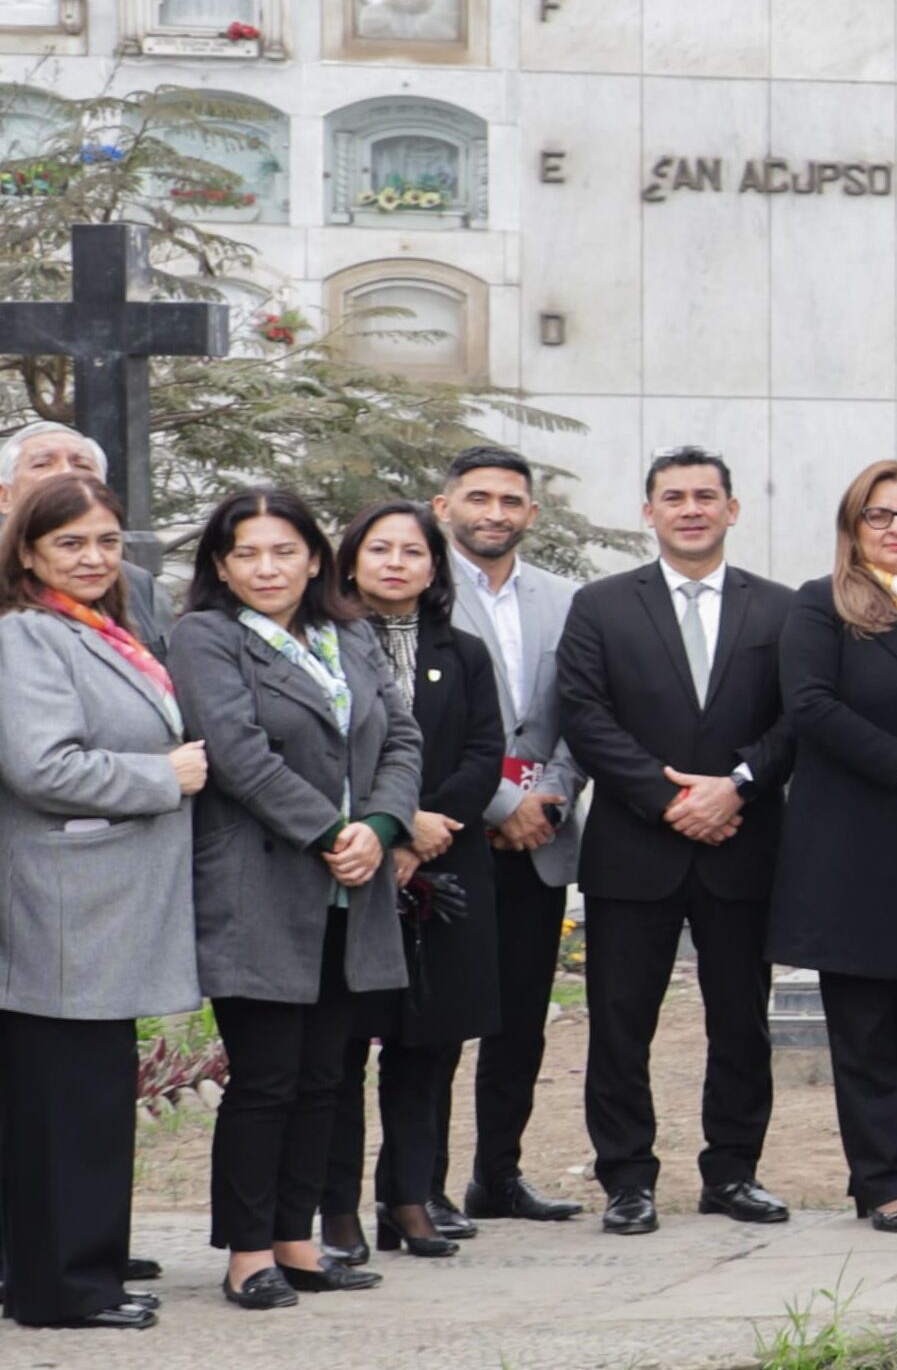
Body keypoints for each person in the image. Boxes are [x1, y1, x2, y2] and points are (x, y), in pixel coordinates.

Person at [0, 421, 162, 1309]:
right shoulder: (22, 635)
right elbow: (41, 766)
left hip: (99, 905)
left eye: (106, 539)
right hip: (56, 901)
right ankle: (63, 1285)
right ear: (21, 546)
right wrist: (162, 777)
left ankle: (78, 1270)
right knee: (61, 1106)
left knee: (86, 1103)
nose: (94, 556)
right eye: (71, 542)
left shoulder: (107, 621)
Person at [165, 485, 421, 1310]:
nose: (267, 567)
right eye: (247, 553)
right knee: (267, 1077)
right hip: (262, 885)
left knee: (324, 1077)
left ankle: (296, 1237)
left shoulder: (348, 633)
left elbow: (403, 734)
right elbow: (236, 753)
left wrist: (380, 825)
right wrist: (330, 833)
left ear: (316, 558)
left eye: (284, 550)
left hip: (355, 887)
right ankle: (246, 1251)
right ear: (221, 565)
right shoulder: (206, 636)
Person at [554, 447, 796, 1232]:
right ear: (648, 511)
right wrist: (669, 799)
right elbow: (585, 715)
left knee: (741, 1023)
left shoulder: (781, 608)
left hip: (744, 843)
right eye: (673, 496)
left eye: (705, 496)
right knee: (621, 1026)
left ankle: (733, 1171)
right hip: (635, 850)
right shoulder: (600, 605)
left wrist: (737, 786)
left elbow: (798, 716)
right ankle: (627, 1179)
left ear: (732, 509)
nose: (690, 508)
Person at [774, 460, 897, 1233]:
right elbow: (810, 706)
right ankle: (878, 1181)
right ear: (853, 528)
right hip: (858, 851)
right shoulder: (822, 605)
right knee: (863, 1027)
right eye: (878, 515)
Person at [333, 500, 502, 1267]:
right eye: (380, 548)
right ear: (350, 560)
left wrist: (429, 827)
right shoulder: (323, 643)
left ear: (436, 566)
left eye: (413, 551)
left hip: (448, 862)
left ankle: (409, 1194)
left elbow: (482, 750)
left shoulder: (461, 651)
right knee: (342, 1047)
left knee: (427, 1043)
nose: (396, 562)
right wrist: (393, 826)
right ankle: (335, 1208)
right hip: (354, 858)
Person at [434, 448, 587, 1226]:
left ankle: (498, 1175)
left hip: (544, 839)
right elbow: (419, 722)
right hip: (452, 834)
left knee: (521, 1018)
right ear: (444, 506)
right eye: (479, 497)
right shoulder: (417, 594)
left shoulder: (568, 599)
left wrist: (552, 795)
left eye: (512, 500)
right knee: (435, 1019)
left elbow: (581, 710)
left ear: (532, 513)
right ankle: (418, 1186)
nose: (495, 512)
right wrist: (501, 804)